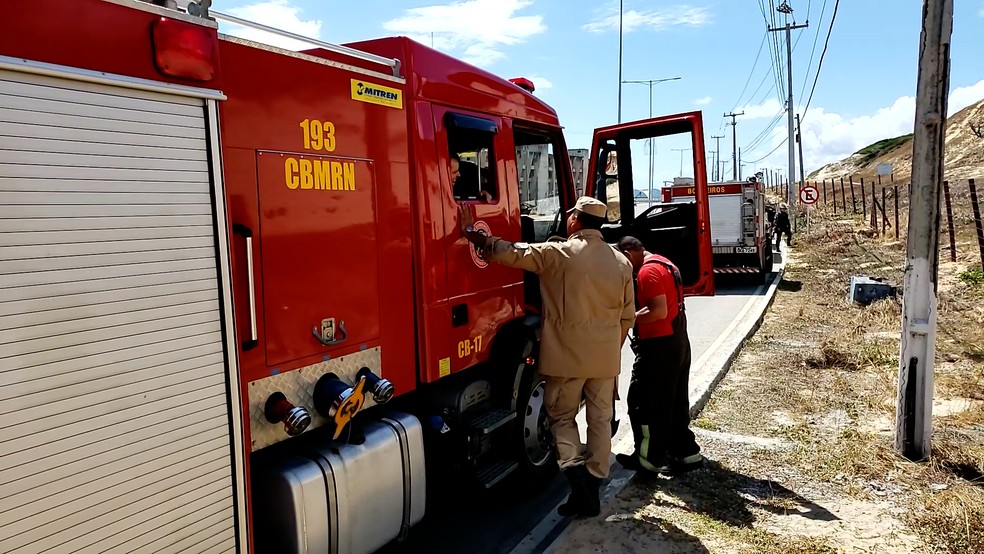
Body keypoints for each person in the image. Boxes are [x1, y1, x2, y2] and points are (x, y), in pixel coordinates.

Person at [459, 197, 635, 517]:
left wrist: (474, 235)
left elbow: (513, 252)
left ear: (575, 220)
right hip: (605, 359)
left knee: (562, 418)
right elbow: (627, 317)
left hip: (567, 358)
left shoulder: (559, 253)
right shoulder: (622, 262)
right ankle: (594, 484)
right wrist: (610, 349)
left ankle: (578, 484)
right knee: (599, 419)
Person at [615, 236, 703, 476]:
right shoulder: (665, 263)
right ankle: (686, 452)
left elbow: (658, 311)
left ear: (628, 253)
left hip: (658, 347)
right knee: (674, 402)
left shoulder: (647, 272)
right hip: (677, 342)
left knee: (642, 402)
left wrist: (627, 318)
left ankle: (649, 458)